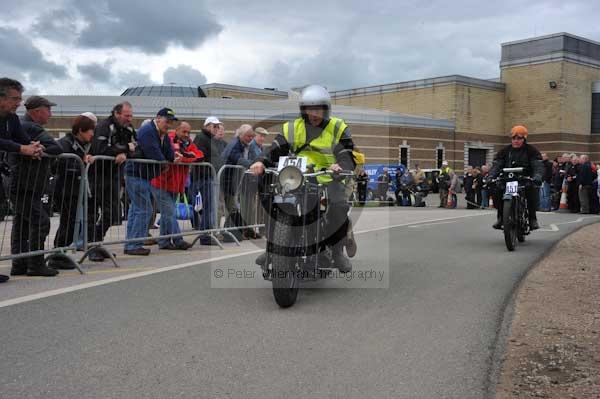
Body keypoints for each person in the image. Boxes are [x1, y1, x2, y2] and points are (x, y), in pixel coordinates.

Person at [249, 84, 355, 272]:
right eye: (309, 109)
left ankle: (337, 251)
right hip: (297, 178)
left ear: (326, 109)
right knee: (270, 199)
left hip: (328, 178)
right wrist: (261, 162)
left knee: (338, 205)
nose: (313, 114)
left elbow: (347, 153)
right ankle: (273, 247)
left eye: (318, 109)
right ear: (302, 110)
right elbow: (274, 149)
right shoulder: (292, 128)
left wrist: (340, 166)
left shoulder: (338, 127)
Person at [8, 93, 63, 277]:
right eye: (48, 110)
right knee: (40, 222)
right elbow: (56, 148)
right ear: (37, 111)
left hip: (22, 182)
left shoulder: (21, 125)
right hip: (28, 183)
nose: (50, 115)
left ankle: (20, 263)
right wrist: (42, 148)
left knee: (22, 224)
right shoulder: (31, 127)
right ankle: (35, 263)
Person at [123, 108, 178, 255]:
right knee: (144, 209)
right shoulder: (147, 130)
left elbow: (170, 154)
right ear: (158, 118)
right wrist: (164, 162)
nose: (169, 125)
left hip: (143, 175)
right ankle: (133, 244)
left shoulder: (162, 135)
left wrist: (166, 160)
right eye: (167, 121)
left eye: (171, 122)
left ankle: (131, 243)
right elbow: (153, 152)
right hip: (136, 174)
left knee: (137, 209)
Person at [89, 101, 138, 261]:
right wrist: (124, 149)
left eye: (131, 115)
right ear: (117, 113)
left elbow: (135, 149)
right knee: (92, 212)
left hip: (115, 175)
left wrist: (125, 153)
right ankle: (91, 246)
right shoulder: (104, 126)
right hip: (97, 174)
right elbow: (100, 149)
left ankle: (96, 243)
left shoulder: (129, 128)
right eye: (126, 115)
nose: (129, 118)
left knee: (114, 213)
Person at [150, 121, 203, 249]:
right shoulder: (169, 139)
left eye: (188, 132)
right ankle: (178, 240)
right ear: (177, 130)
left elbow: (198, 155)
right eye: (184, 131)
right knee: (169, 213)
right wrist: (187, 156)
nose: (187, 134)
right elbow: (174, 155)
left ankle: (164, 242)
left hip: (175, 184)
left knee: (166, 214)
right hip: (161, 183)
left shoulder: (188, 142)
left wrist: (185, 157)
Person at [54, 113, 98, 255]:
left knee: (73, 223)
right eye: (90, 130)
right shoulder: (65, 143)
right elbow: (60, 165)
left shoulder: (82, 145)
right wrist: (81, 161)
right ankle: (58, 253)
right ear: (81, 130)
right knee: (68, 222)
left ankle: (62, 252)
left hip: (77, 189)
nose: (92, 134)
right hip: (66, 189)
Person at [488, 125, 543, 230]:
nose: (516, 141)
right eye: (514, 138)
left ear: (524, 139)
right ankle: (501, 217)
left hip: (524, 179)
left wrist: (537, 176)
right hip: (507, 179)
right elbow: (497, 165)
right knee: (496, 190)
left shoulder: (531, 151)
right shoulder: (504, 151)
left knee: (532, 191)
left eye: (519, 138)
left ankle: (532, 219)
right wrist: (490, 176)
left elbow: (537, 165)